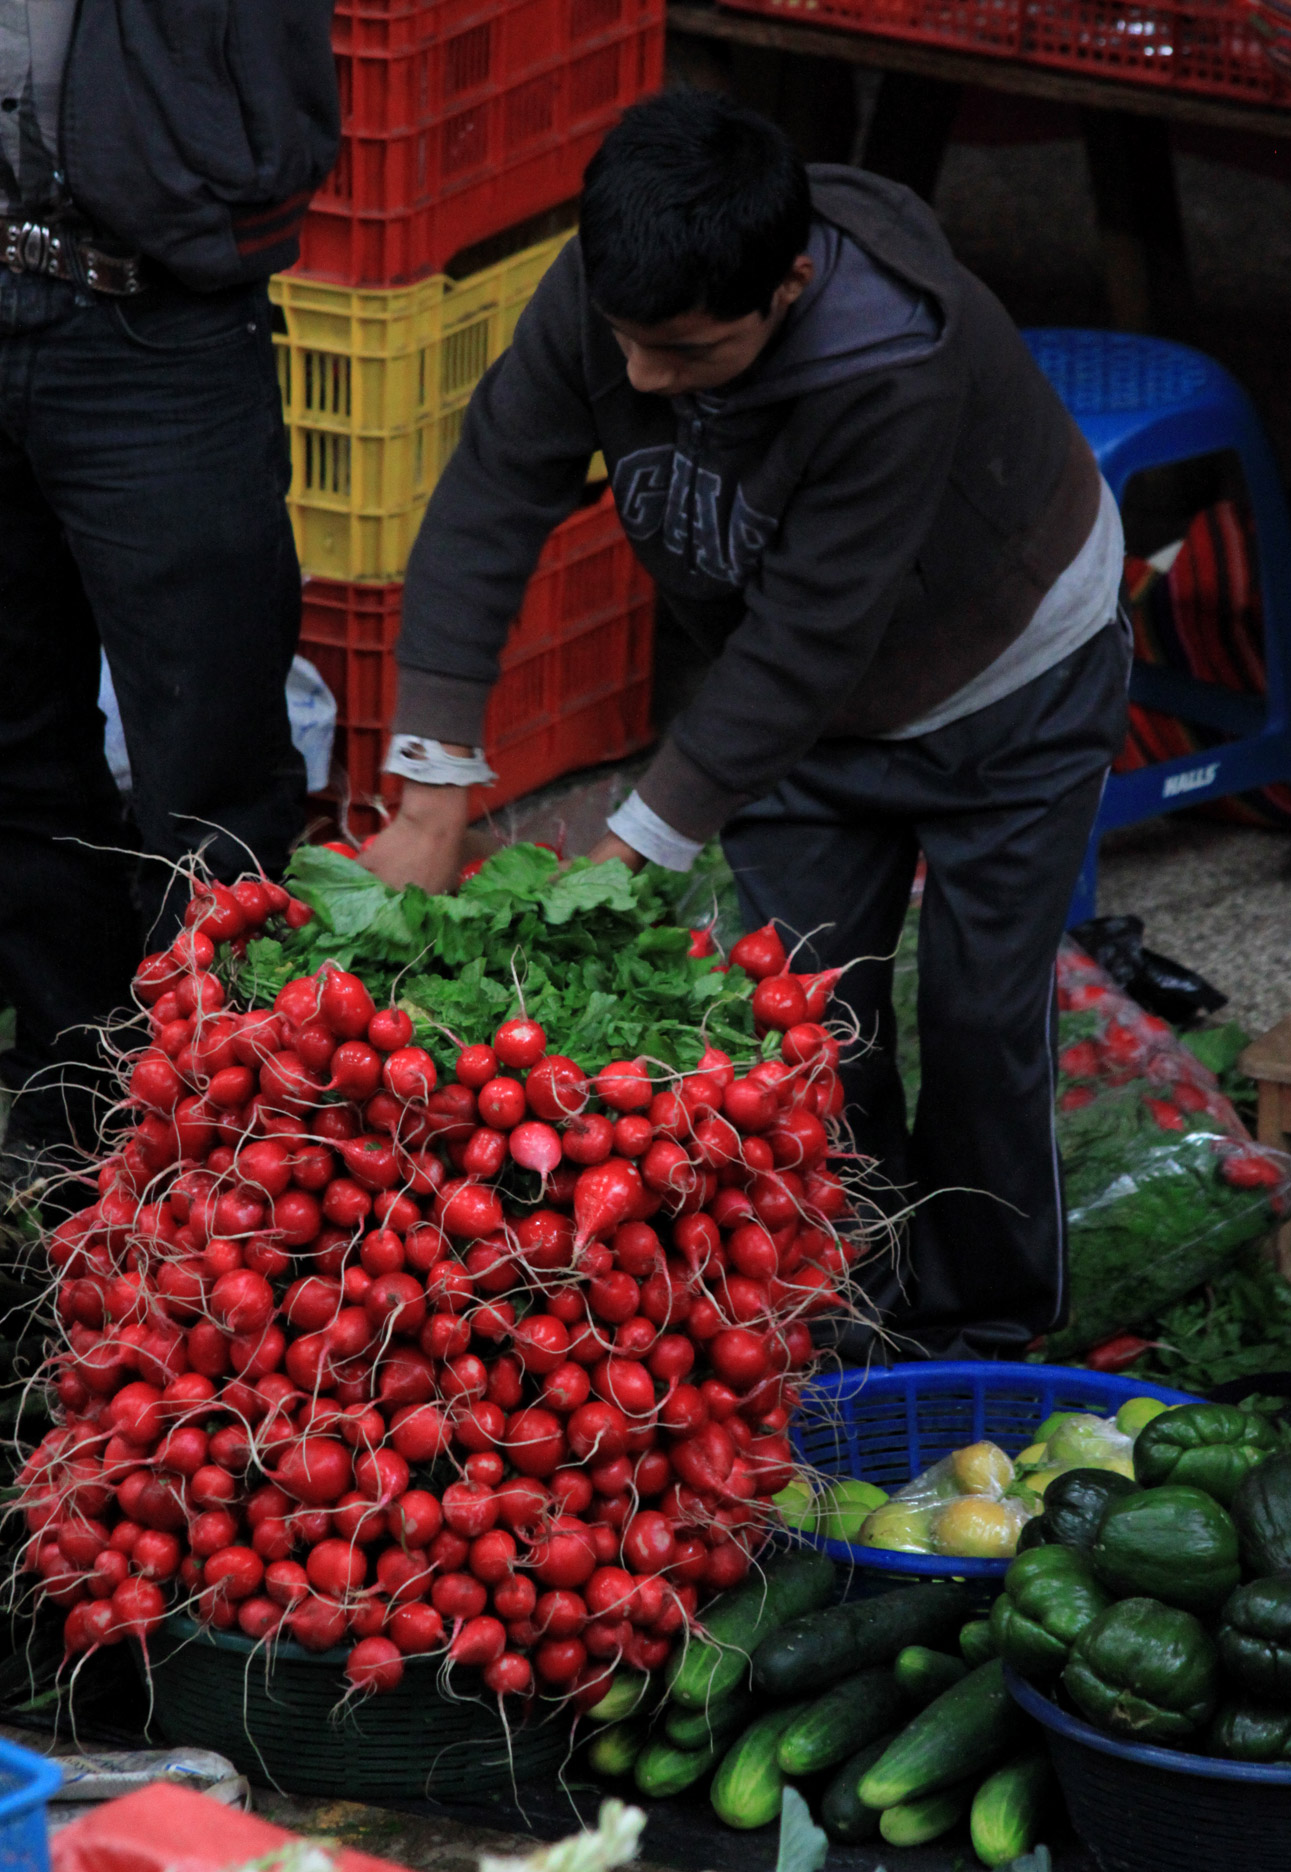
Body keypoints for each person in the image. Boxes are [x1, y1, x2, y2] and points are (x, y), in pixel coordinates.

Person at [359, 87, 1130, 1358]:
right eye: (630, 345)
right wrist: (431, 781)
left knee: (982, 1017)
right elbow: (497, 483)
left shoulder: (894, 360)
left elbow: (806, 642)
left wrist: (636, 844)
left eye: (690, 354)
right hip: (796, 716)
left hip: (1010, 684)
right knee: (813, 1019)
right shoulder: (622, 288)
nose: (647, 380)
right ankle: (854, 1299)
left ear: (788, 284)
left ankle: (988, 1329)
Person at [0, 0, 342, 1158]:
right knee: (16, 741)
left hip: (160, 314)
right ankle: (70, 1106)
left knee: (208, 765)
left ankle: (227, 1130)